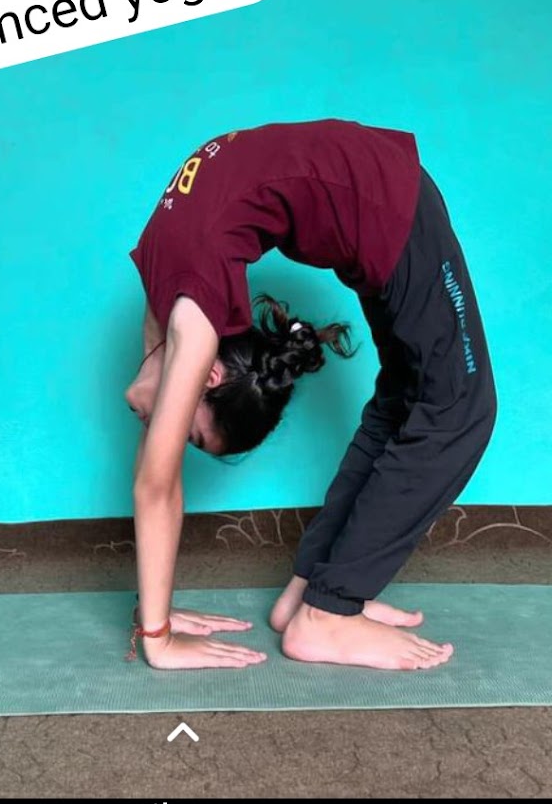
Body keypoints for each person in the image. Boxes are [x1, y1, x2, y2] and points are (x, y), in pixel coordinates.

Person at [124, 119, 497, 672]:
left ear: (209, 377)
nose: (171, 433)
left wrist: (156, 638)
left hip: (387, 200)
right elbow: (153, 475)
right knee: (411, 400)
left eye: (190, 434)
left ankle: (325, 604)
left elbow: (156, 485)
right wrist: (155, 616)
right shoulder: (169, 303)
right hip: (377, 200)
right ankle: (322, 600)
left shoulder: (190, 320)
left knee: (457, 411)